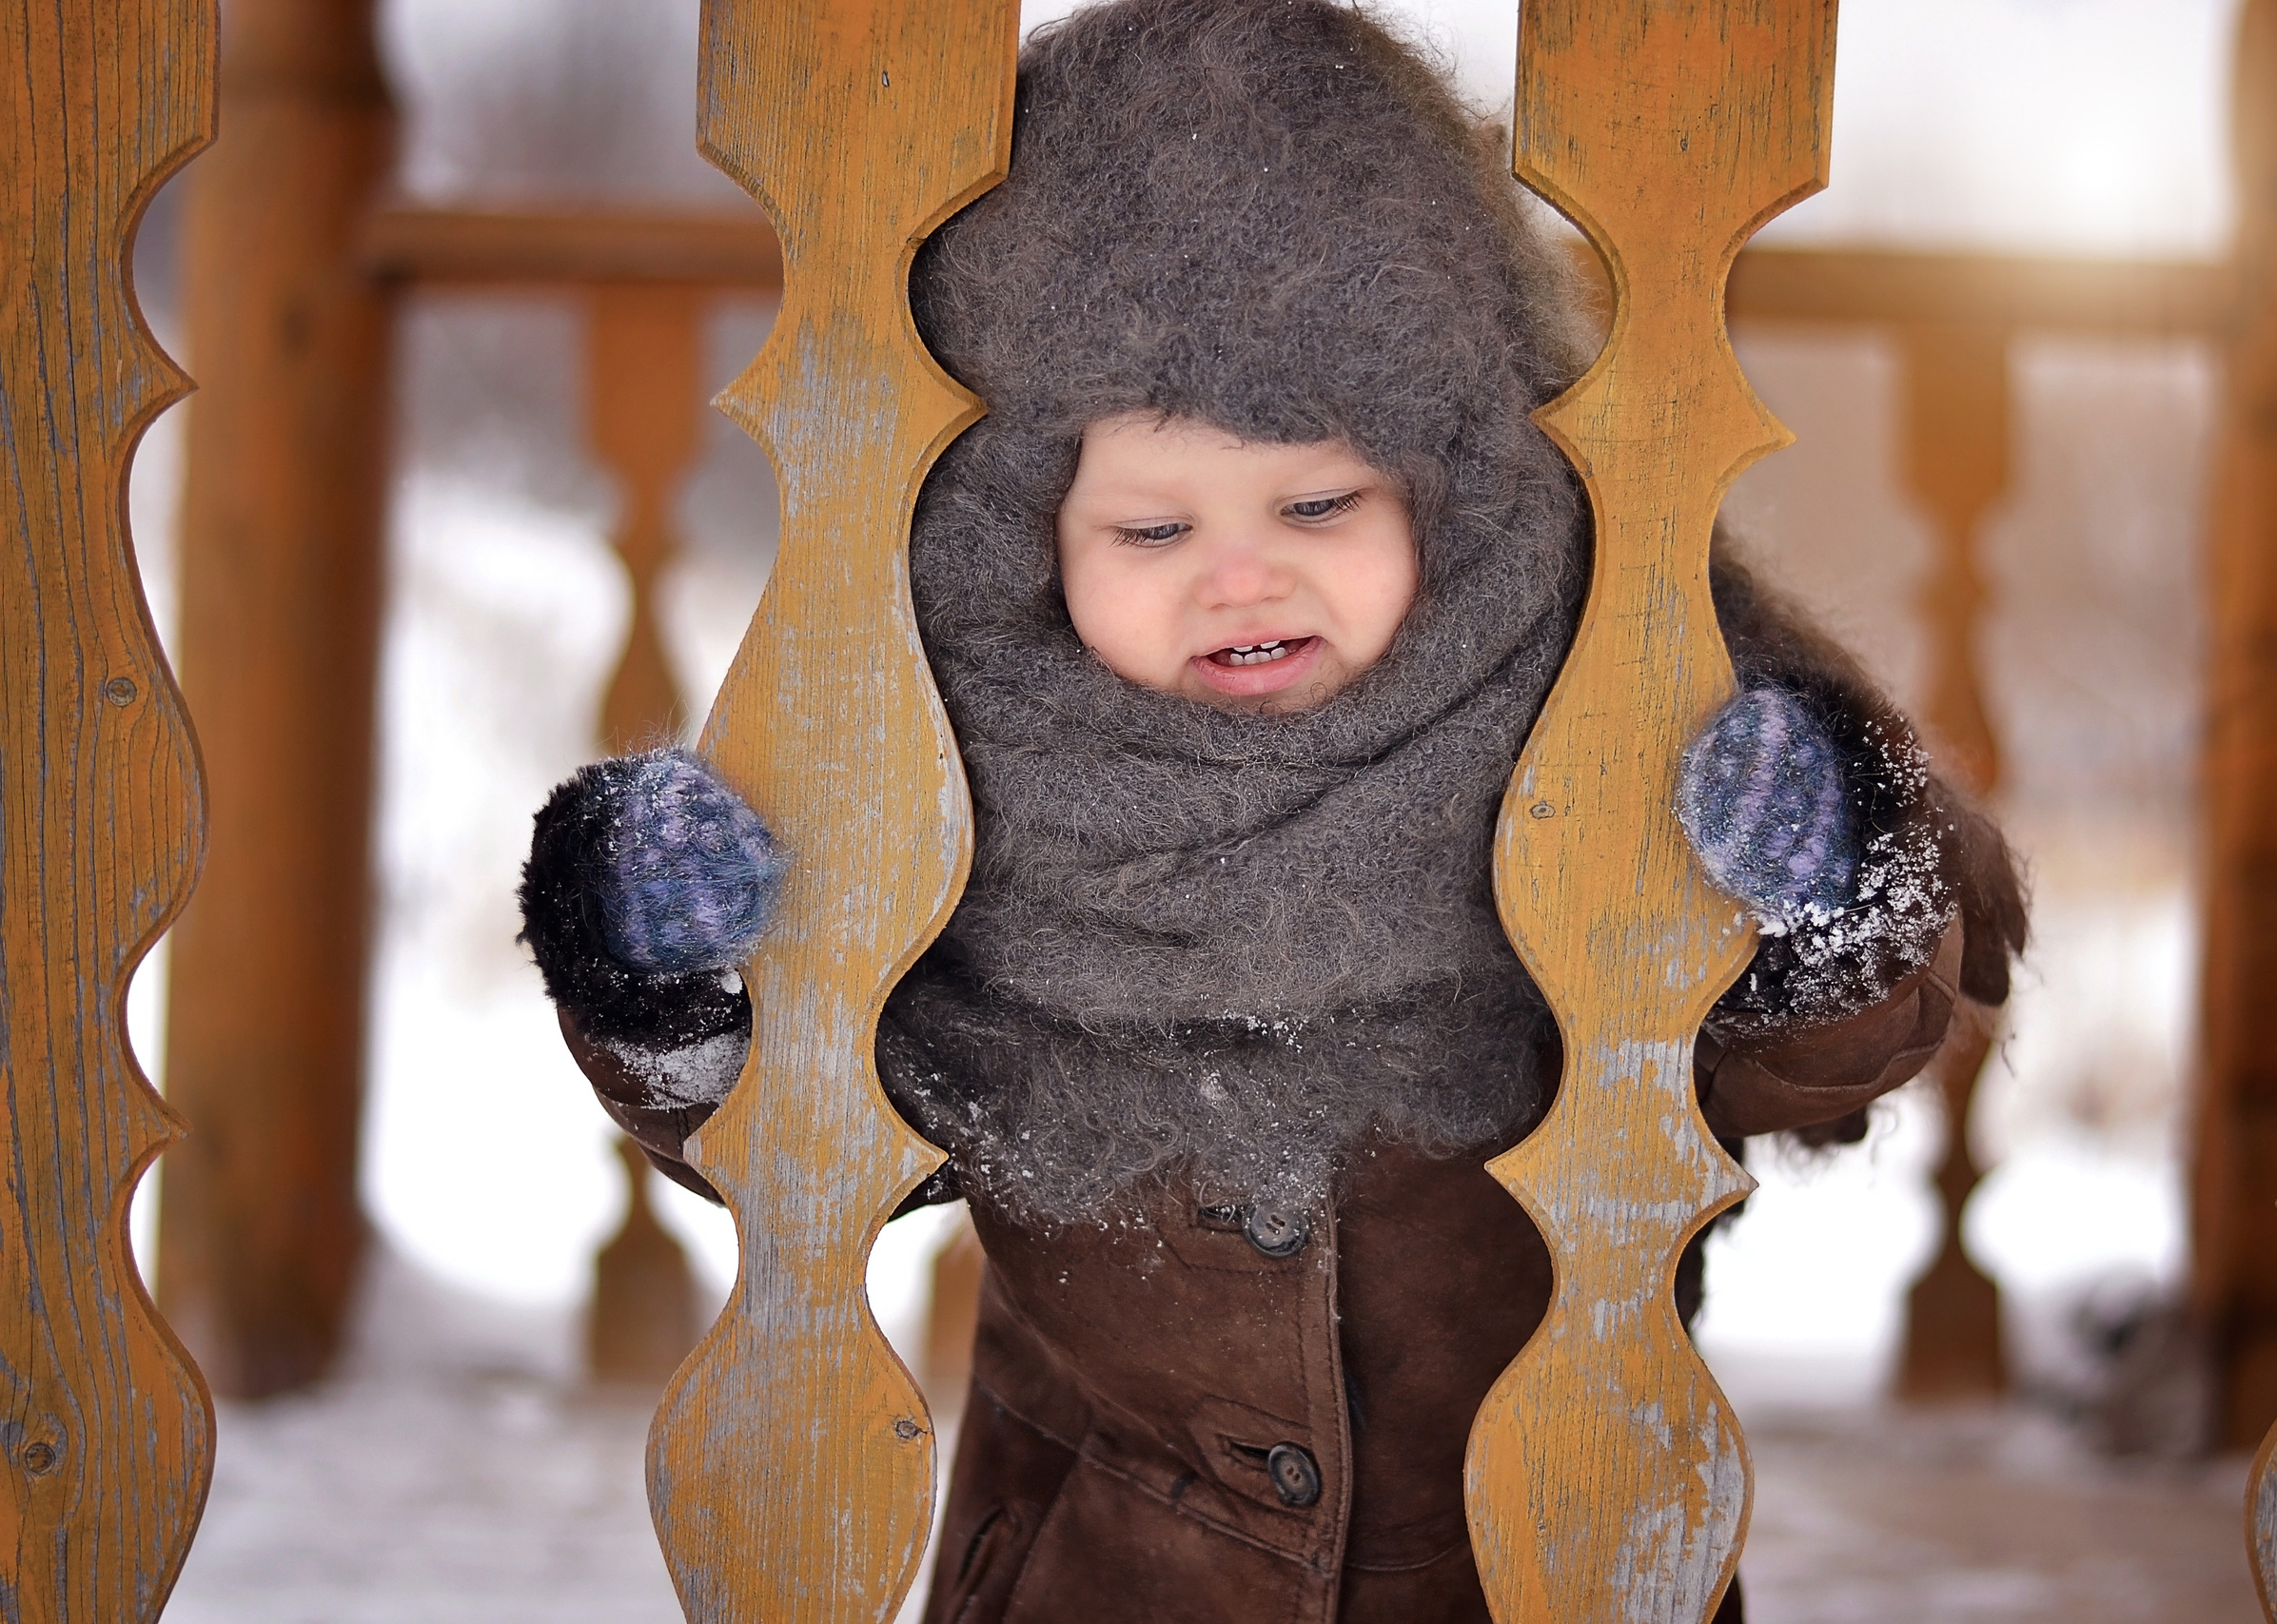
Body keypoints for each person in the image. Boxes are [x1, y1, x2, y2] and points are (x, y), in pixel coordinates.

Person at [517, 4, 2026, 1620]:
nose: (1245, 573)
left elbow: (1799, 1077)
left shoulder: (1600, 728)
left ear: (1449, 483)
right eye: (1152, 526)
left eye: (1318, 501)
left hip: (1543, 1563)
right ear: (1029, 536)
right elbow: (787, 1135)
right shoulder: (944, 786)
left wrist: (1818, 912)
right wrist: (666, 985)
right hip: (1099, 1576)